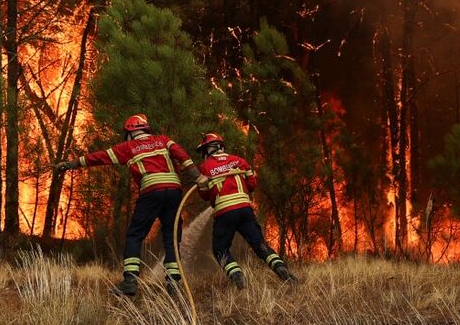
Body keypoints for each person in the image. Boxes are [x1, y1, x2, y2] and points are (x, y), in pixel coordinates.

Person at [57, 113, 206, 296]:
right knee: (172, 237)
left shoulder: (128, 147)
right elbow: (183, 156)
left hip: (151, 190)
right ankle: (173, 283)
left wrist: (71, 164)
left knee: (135, 235)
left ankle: (130, 281)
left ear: (130, 132)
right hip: (174, 191)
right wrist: (198, 176)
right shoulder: (164, 140)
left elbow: (98, 157)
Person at [195, 132, 296, 288]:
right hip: (245, 210)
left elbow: (205, 196)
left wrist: (201, 185)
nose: (204, 154)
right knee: (260, 245)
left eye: (205, 150)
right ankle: (281, 268)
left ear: (211, 148)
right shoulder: (239, 161)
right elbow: (252, 185)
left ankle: (237, 277)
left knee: (220, 250)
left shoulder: (205, 167)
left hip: (225, 212)